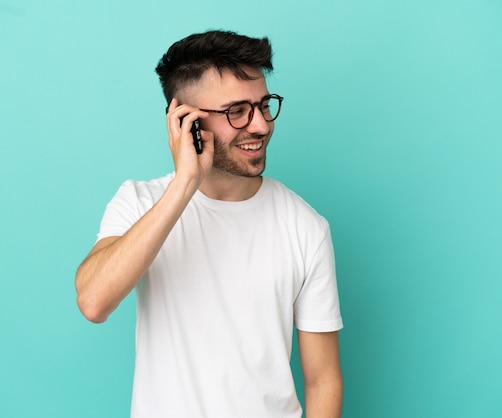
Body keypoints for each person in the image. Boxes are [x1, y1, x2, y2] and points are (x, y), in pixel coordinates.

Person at [75, 30, 344, 418]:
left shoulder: (306, 227)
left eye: (264, 105)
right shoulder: (141, 202)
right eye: (237, 111)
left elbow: (323, 380)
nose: (261, 125)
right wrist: (185, 183)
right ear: (185, 120)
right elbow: (93, 301)